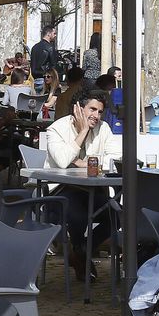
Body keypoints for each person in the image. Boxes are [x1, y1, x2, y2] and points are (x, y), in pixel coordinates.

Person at [44, 88, 122, 278]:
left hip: (92, 191)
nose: (96, 116)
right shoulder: (56, 129)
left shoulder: (103, 128)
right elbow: (62, 160)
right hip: (60, 191)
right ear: (78, 109)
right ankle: (80, 251)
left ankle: (82, 250)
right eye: (92, 110)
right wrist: (83, 132)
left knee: (118, 215)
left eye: (100, 112)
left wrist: (86, 162)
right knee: (77, 213)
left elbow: (116, 156)